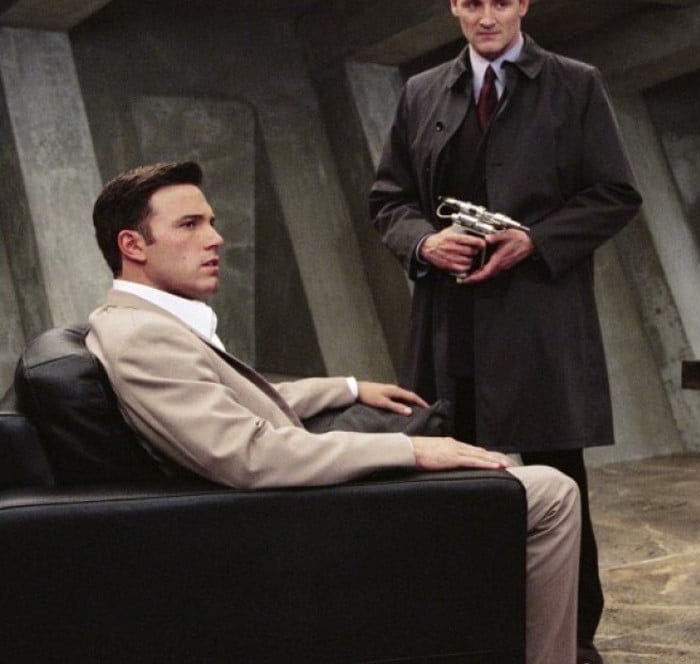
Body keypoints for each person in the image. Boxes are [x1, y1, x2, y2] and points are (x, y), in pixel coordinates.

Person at [86, 160, 581, 664]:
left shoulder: (146, 322)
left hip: (281, 510)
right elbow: (249, 453)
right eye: (190, 225)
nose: (215, 239)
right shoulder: (144, 338)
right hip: (293, 527)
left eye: (211, 222)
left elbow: (236, 404)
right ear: (133, 245)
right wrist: (410, 450)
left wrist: (349, 388)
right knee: (550, 492)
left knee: (493, 466)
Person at [368, 0, 641, 662]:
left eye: (499, 3)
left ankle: (573, 642)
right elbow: (388, 199)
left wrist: (535, 240)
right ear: (452, 7)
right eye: (472, 5)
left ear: (524, 3)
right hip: (451, 324)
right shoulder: (421, 91)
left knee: (560, 481)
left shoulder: (576, 84)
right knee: (451, 480)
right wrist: (424, 242)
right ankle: (466, 630)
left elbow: (615, 193)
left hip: (539, 321)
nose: (486, 18)